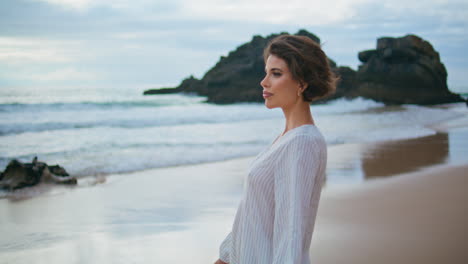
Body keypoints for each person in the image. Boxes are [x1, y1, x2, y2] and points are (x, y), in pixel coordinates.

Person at [214, 34, 337, 264]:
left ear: (302, 83)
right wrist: (226, 258)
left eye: (276, 74)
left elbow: (289, 234)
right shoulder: (287, 138)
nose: (264, 82)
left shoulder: (301, 143)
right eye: (266, 72)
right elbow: (256, 214)